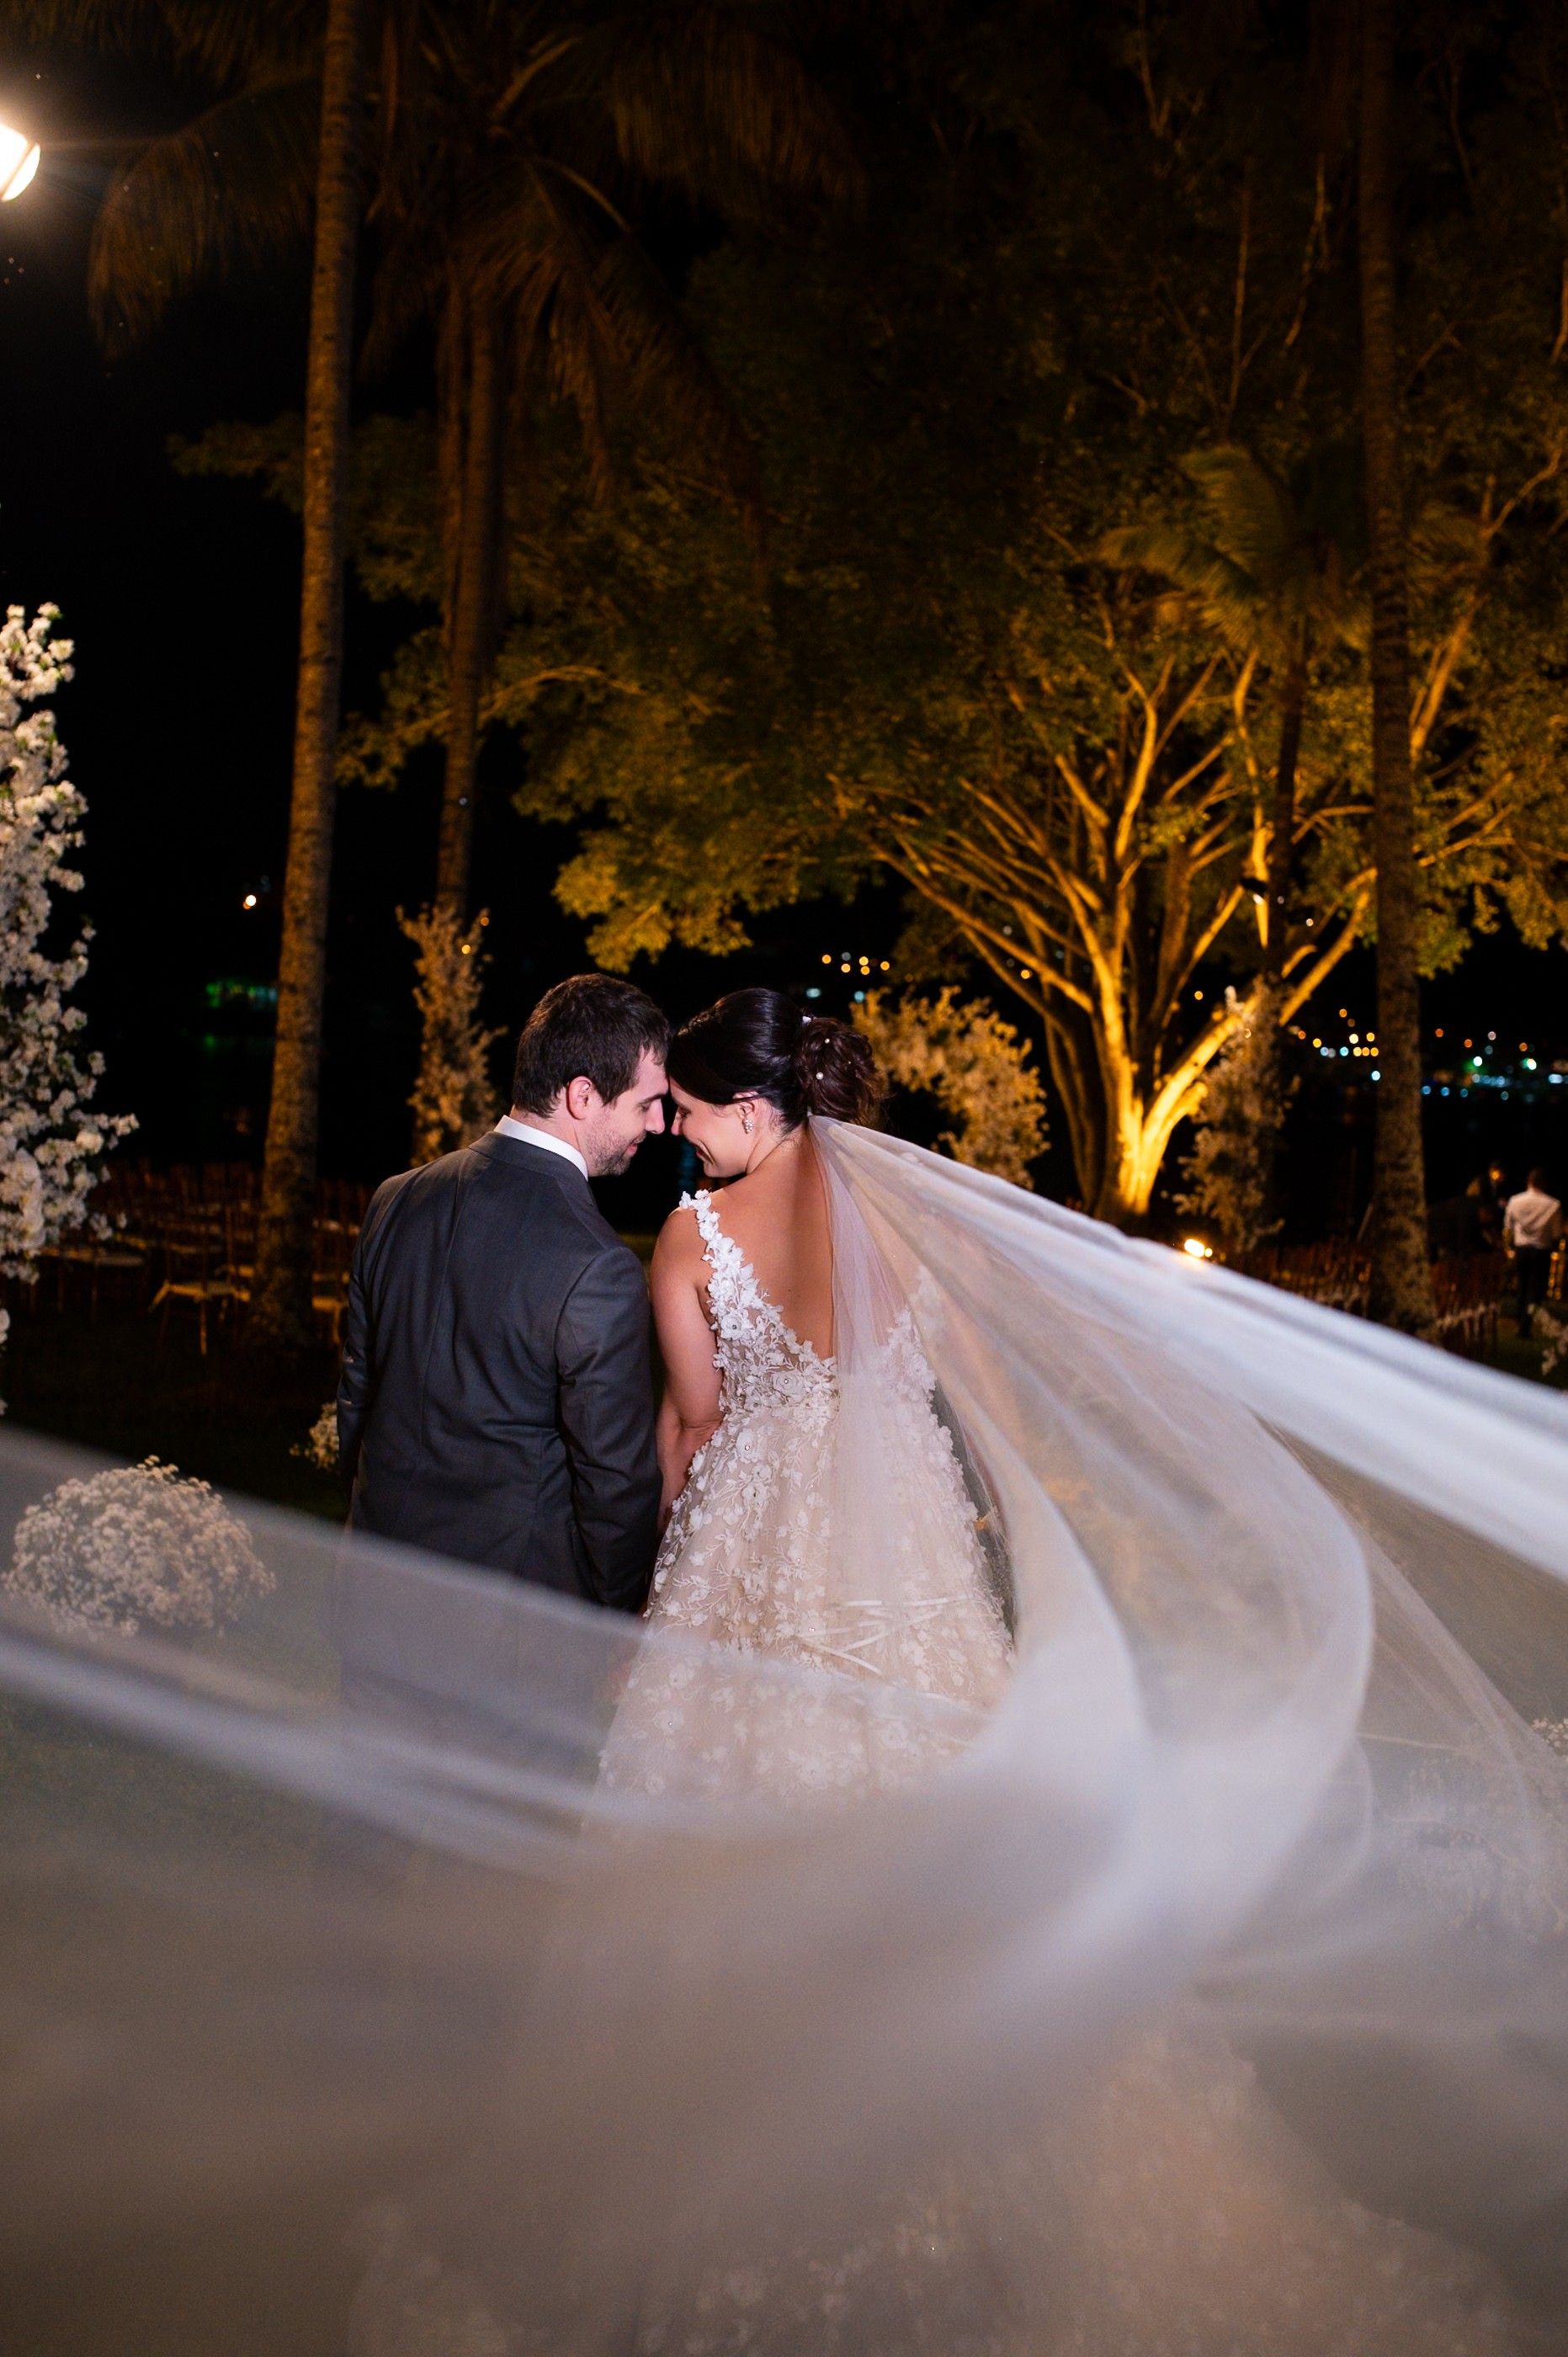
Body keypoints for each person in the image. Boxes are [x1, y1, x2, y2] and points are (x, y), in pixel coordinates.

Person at [336, 973, 667, 1605]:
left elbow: (357, 1394)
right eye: (643, 1103)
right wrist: (613, 1616)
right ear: (581, 1095)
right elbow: (615, 1481)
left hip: (373, 1586)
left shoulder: (396, 1197)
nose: (656, 1125)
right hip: (505, 1623)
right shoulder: (599, 1264)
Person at [1503, 1165, 1565, 1339]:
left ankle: (1519, 1319)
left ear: (1528, 1182)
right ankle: (1526, 1324)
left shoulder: (1515, 1201)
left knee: (1522, 1286)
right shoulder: (1553, 1205)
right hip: (1541, 1251)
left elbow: (1508, 1226)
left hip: (1521, 1249)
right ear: (1543, 1184)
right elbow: (1556, 1233)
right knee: (1535, 1289)